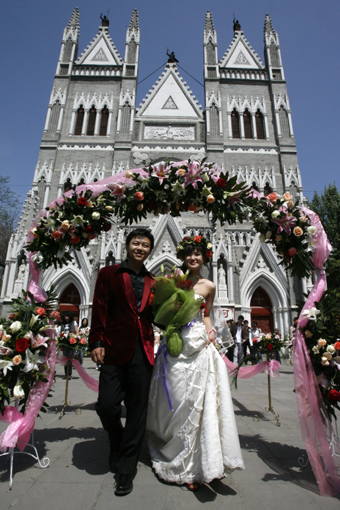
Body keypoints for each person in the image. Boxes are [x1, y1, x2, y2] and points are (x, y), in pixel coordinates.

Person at [147, 236, 244, 491]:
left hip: (199, 346)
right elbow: (163, 311)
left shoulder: (209, 285)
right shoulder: (174, 280)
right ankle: (175, 454)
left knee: (198, 404)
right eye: (189, 254)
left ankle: (194, 466)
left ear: (205, 258)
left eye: (198, 254)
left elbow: (207, 315)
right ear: (184, 256)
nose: (193, 258)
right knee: (178, 401)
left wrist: (211, 333)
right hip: (176, 348)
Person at [88, 228, 155, 497]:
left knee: (137, 413)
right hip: (114, 350)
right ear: (127, 245)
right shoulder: (108, 275)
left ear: (150, 249)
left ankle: (126, 469)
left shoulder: (154, 281)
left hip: (143, 350)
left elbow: (157, 316)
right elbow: (99, 308)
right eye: (136, 243)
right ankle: (117, 442)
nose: (140, 247)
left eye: (145, 245)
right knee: (106, 405)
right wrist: (96, 342)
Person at [58, 311, 79, 379]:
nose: (66, 318)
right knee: (65, 359)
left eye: (68, 316)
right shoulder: (62, 324)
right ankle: (66, 374)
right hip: (65, 343)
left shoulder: (73, 322)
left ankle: (69, 374)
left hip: (71, 342)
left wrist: (75, 338)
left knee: (69, 359)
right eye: (65, 316)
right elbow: (60, 332)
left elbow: (77, 331)